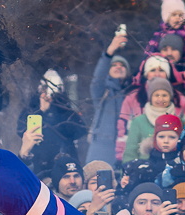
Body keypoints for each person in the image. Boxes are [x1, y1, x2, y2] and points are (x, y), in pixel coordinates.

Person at [16, 71, 86, 177]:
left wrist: (56, 108)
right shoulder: (31, 109)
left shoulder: (65, 109)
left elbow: (80, 130)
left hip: (63, 161)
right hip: (38, 161)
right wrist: (41, 111)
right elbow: (20, 130)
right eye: (44, 89)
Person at [87, 31, 131, 165]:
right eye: (114, 65)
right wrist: (109, 53)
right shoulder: (102, 91)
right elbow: (97, 79)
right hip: (101, 145)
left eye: (122, 65)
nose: (118, 67)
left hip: (128, 145)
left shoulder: (133, 94)